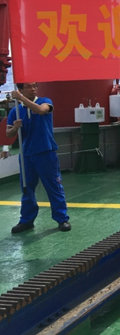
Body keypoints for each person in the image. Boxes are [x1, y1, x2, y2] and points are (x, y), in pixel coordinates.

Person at [7, 83, 71, 234]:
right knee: (27, 188)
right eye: (28, 87)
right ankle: (26, 220)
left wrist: (21, 98)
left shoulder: (45, 101)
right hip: (26, 155)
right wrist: (15, 127)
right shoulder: (16, 111)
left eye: (34, 86)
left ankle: (62, 219)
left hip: (45, 151)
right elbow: (8, 133)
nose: (33, 89)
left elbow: (41, 111)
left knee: (53, 186)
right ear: (20, 89)